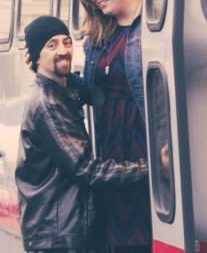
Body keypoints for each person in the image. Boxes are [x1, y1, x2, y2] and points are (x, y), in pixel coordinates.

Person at [15, 15, 148, 253]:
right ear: (36, 55)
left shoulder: (60, 89)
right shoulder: (48, 104)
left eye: (66, 42)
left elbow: (81, 88)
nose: (63, 50)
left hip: (62, 233)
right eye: (51, 45)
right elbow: (86, 169)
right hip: (59, 238)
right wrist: (151, 169)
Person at [75, 0, 151, 253]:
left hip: (144, 148)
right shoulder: (100, 35)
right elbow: (92, 93)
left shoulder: (152, 26)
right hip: (112, 153)